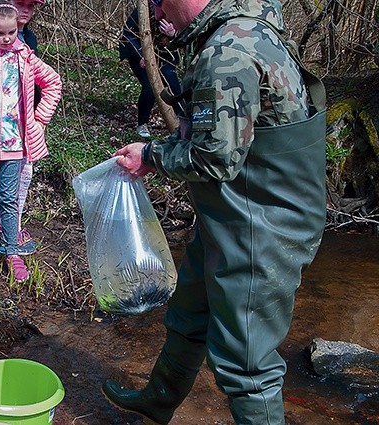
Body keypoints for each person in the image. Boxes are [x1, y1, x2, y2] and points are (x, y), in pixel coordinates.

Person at [103, 0, 327, 424]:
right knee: (190, 312)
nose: (157, 9)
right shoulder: (250, 28)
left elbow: (215, 158)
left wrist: (152, 154)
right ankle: (160, 398)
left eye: (161, 0)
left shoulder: (227, 52)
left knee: (246, 365)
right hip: (236, 214)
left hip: (260, 227)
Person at [0, 0, 61, 283]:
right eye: (1, 33)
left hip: (15, 144)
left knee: (9, 200)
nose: (7, 39)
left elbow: (54, 82)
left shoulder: (24, 55)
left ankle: (12, 251)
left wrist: (39, 120)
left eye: (12, 33)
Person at [119, 5, 182, 138]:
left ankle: (182, 122)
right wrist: (141, 54)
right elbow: (127, 34)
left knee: (173, 82)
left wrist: (173, 34)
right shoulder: (143, 10)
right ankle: (142, 123)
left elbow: (186, 34)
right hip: (140, 54)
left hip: (165, 54)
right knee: (149, 86)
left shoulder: (175, 8)